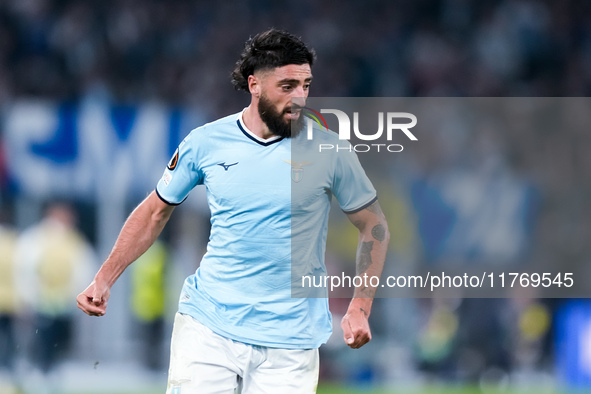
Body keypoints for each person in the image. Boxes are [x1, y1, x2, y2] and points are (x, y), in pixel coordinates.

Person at [77, 28, 389, 393]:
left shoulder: (329, 150)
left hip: (291, 339)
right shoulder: (206, 143)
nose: (300, 97)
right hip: (210, 324)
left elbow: (373, 225)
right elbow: (153, 212)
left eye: (306, 85)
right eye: (287, 86)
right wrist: (105, 277)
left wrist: (360, 306)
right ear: (254, 84)